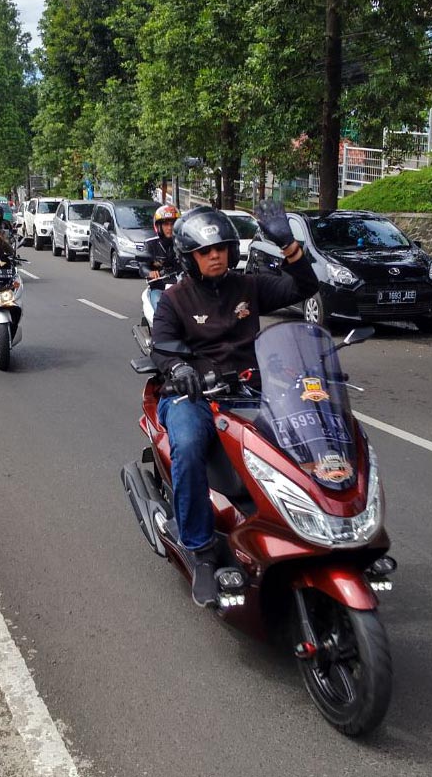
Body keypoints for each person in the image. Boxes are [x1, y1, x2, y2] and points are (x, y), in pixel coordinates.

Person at [150, 201, 318, 606]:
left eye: (221, 248)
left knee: (304, 436)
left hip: (250, 390)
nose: (215, 256)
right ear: (189, 257)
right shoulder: (174, 299)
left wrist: (289, 245)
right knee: (188, 446)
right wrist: (178, 368)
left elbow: (304, 288)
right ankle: (200, 549)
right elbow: (161, 347)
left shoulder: (249, 287)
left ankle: (299, 525)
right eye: (205, 251)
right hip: (194, 396)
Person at [140, 205, 182, 280]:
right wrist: (150, 272)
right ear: (159, 226)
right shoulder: (151, 244)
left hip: (182, 284)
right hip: (159, 283)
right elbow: (143, 266)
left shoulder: (183, 243)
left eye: (173, 224)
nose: (170, 228)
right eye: (166, 224)